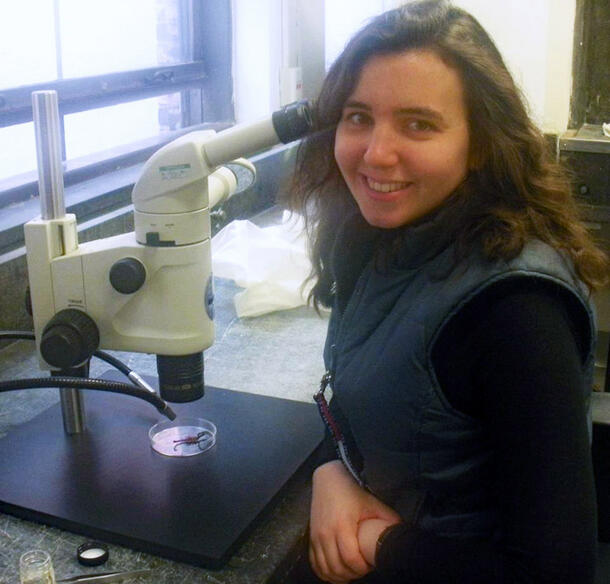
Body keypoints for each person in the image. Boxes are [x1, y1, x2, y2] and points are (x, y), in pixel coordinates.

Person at [284, 1, 610, 583]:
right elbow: (367, 408)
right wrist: (331, 472)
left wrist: (380, 541)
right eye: (359, 116)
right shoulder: (377, 240)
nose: (376, 153)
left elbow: (557, 572)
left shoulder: (517, 313)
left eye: (418, 124)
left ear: (480, 141)